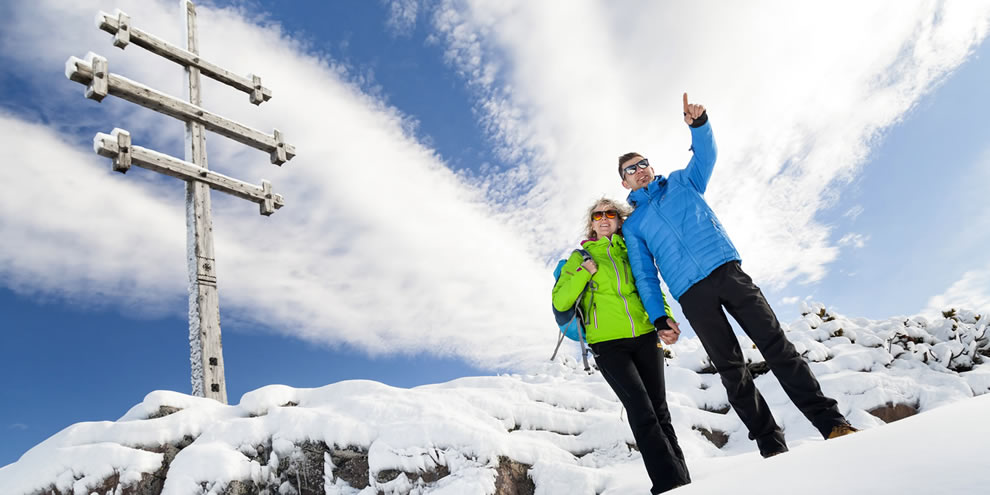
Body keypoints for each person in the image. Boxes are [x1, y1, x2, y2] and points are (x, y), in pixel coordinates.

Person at [618, 93, 857, 458]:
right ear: (625, 183)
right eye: (631, 169)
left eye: (643, 163)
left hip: (728, 272)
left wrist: (699, 126)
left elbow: (707, 155)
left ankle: (832, 424)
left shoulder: (683, 183)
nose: (640, 170)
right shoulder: (634, 226)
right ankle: (771, 444)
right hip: (692, 294)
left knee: (777, 347)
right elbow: (645, 276)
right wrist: (659, 315)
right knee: (732, 370)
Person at [552, 198, 689, 494]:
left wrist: (664, 320)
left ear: (618, 220)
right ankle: (669, 484)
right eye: (597, 215)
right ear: (591, 223)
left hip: (644, 336)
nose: (604, 218)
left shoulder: (631, 251)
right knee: (641, 409)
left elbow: (648, 285)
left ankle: (683, 481)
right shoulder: (580, 257)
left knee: (659, 410)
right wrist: (584, 273)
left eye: (610, 213)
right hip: (607, 344)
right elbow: (560, 300)